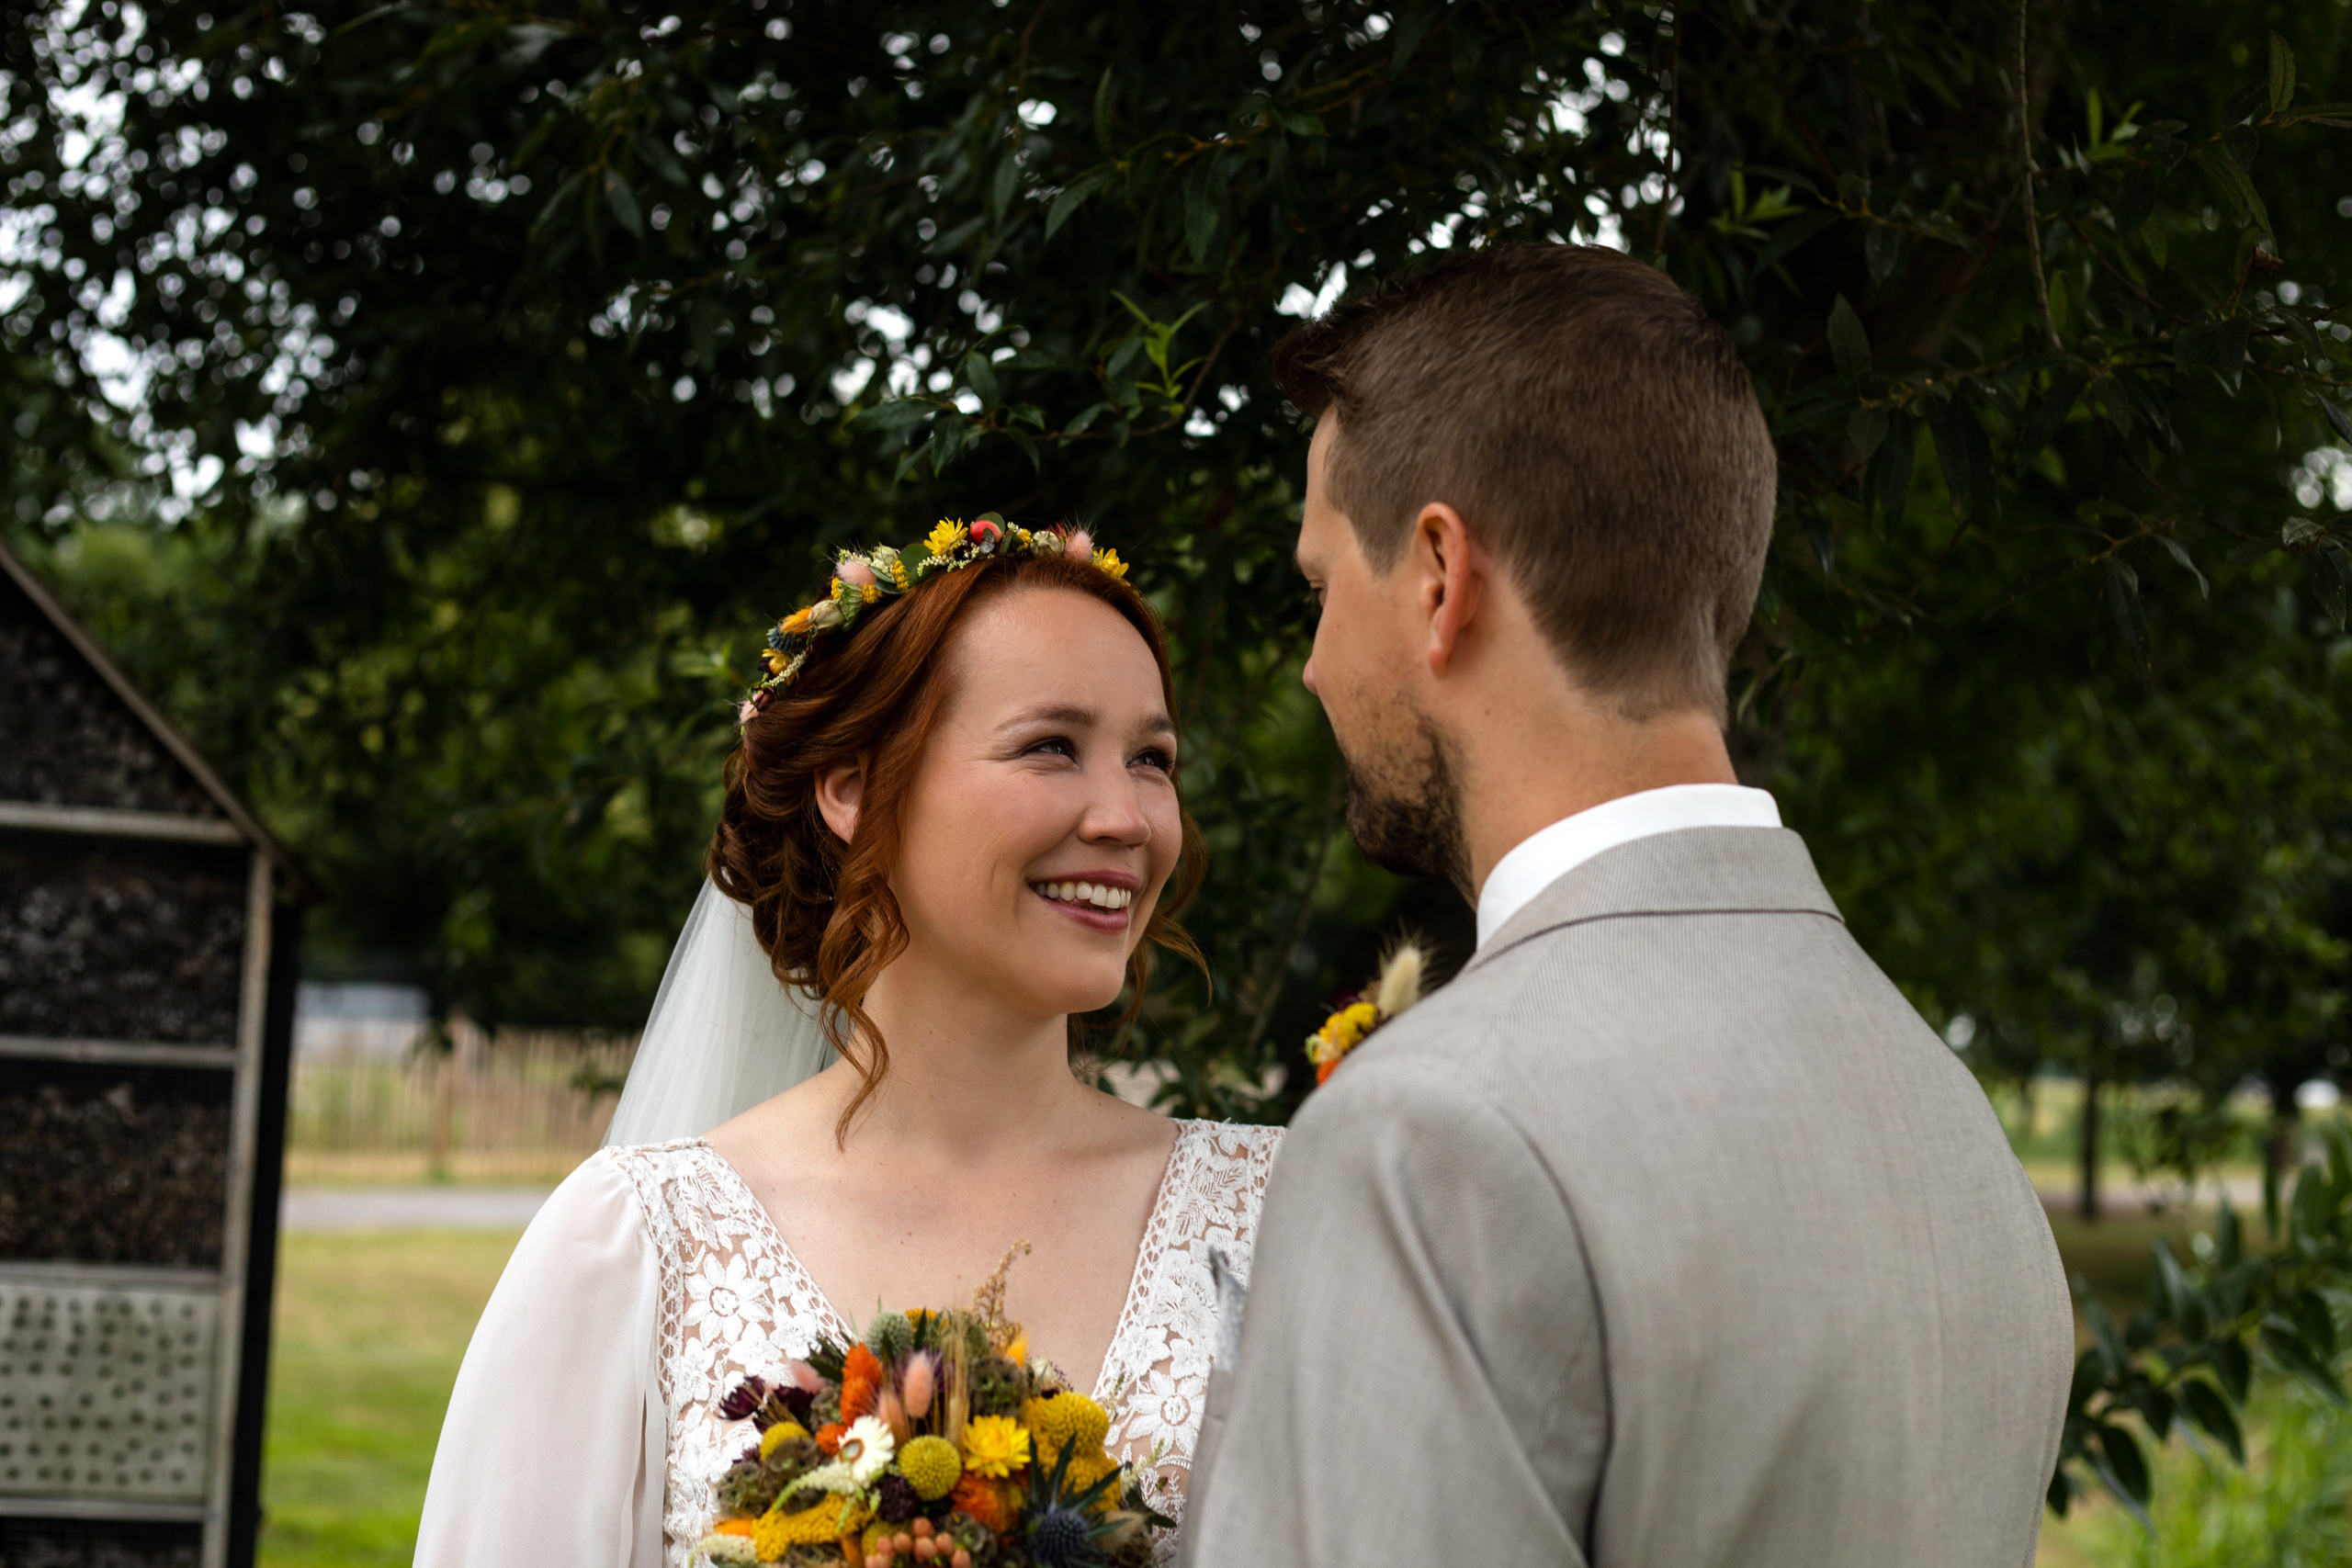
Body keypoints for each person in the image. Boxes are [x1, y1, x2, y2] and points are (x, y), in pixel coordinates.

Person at [1178, 245, 2073, 1567]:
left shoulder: (1431, 1134)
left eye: (1322, 588)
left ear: (1437, 573)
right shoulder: (1944, 1106)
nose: (1311, 665)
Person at [415, 523, 1281, 1567]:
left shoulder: (1276, 1218)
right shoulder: (640, 1248)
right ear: (851, 786)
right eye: (1052, 745)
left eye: (1153, 760)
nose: (1127, 817)